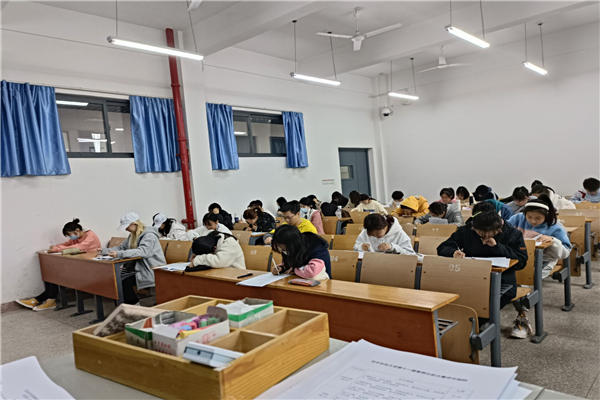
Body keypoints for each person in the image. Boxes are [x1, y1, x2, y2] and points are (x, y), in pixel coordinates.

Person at [437, 210, 527, 312]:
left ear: (498, 230)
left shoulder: (513, 234)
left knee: (485, 308)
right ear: (474, 228)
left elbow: (521, 261)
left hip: (502, 281)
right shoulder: (466, 231)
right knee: (451, 297)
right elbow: (442, 248)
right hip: (470, 278)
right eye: (481, 235)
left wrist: (498, 247)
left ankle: (479, 321)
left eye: (489, 236)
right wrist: (453, 252)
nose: (484, 240)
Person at [508, 195, 571, 338]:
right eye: (529, 217)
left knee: (522, 281)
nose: (533, 221)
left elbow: (565, 253)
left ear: (546, 215)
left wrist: (553, 240)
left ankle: (522, 318)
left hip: (543, 261)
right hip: (519, 259)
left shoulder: (555, 227)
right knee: (501, 279)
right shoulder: (517, 219)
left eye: (538, 218)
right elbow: (502, 231)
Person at [16, 218, 102, 311]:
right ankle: (45, 300)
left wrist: (57, 249)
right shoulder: (76, 238)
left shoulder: (90, 236)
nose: (70, 237)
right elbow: (67, 244)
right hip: (79, 263)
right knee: (53, 274)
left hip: (91, 265)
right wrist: (56, 247)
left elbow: (79, 247)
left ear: (77, 230)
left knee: (57, 275)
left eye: (70, 235)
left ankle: (43, 300)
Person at [99, 212, 165, 305]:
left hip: (150, 269)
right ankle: (127, 306)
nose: (126, 229)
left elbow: (143, 251)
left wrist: (120, 254)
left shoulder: (149, 235)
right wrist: (104, 251)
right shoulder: (133, 235)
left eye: (127, 226)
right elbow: (122, 247)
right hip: (139, 268)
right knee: (116, 279)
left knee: (123, 283)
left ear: (135, 224)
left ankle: (134, 308)